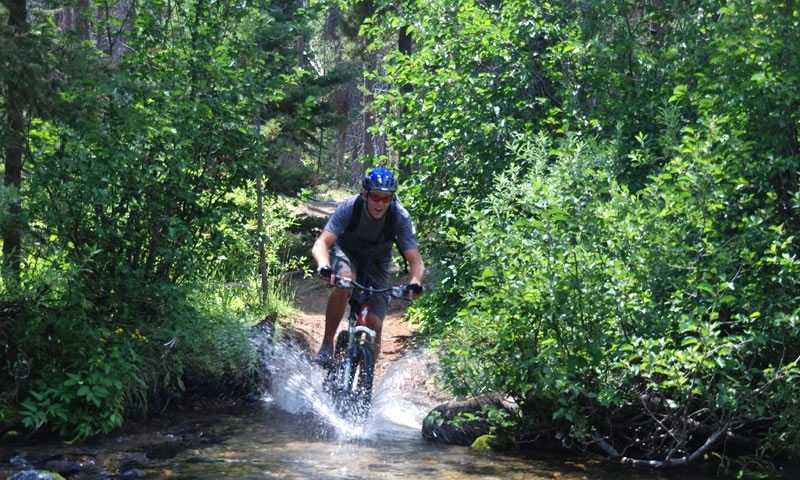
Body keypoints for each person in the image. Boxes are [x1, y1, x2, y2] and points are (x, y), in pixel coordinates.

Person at [311, 166, 424, 367]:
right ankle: (327, 344)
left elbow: (415, 259)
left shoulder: (399, 215)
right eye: (376, 197)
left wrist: (415, 283)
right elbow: (322, 243)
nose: (380, 203)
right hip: (347, 251)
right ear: (365, 194)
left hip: (378, 261)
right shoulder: (349, 207)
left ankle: (365, 379)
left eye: (386, 198)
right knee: (345, 280)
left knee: (375, 323)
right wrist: (324, 266)